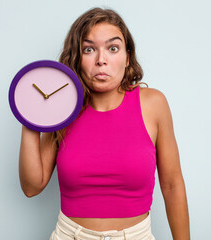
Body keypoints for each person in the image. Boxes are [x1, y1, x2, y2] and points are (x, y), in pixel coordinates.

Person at [19, 7, 190, 240]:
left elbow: (172, 185)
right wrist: (29, 118)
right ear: (77, 58)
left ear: (127, 56)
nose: (101, 60)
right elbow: (32, 187)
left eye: (112, 48)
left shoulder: (153, 104)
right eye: (89, 49)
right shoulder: (63, 110)